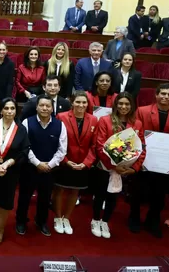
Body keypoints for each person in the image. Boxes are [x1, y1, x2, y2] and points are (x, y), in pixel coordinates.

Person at [132, 84, 169, 237]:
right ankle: (134, 218)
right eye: (162, 93)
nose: (165, 97)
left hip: (165, 164)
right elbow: (135, 135)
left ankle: (153, 220)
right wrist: (136, 159)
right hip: (144, 160)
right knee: (138, 191)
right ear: (156, 95)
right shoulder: (142, 111)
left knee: (160, 194)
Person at [93, 92, 145, 239]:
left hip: (123, 169)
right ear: (115, 105)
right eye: (120, 103)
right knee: (100, 195)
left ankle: (105, 221)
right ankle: (95, 220)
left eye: (127, 104)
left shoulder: (137, 123)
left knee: (113, 197)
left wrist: (133, 168)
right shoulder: (105, 120)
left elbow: (142, 147)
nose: (123, 106)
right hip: (105, 166)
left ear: (132, 106)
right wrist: (113, 165)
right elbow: (100, 145)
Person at [16, 96, 68, 237]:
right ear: (37, 107)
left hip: (49, 169)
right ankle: (21, 221)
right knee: (24, 196)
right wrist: (37, 163)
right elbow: (25, 146)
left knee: (45, 198)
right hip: (30, 167)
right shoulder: (27, 122)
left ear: (52, 108)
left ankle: (41, 222)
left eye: (48, 106)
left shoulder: (60, 125)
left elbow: (62, 150)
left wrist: (49, 165)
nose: (45, 108)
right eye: (42, 105)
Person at [0, 98, 29, 245]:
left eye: (12, 109)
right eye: (6, 108)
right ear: (1, 110)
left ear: (16, 111)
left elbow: (24, 151)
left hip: (11, 171)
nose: (9, 111)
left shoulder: (21, 129)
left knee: (6, 202)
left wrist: (7, 164)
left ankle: (0, 229)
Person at [52, 91, 98, 235]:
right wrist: (65, 161)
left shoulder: (94, 120)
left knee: (75, 190)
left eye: (84, 102)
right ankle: (58, 217)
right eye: (78, 102)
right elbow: (56, 141)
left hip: (82, 163)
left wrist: (86, 162)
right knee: (59, 189)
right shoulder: (62, 117)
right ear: (72, 103)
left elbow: (94, 145)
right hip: (65, 161)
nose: (81, 105)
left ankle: (67, 218)